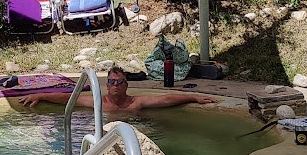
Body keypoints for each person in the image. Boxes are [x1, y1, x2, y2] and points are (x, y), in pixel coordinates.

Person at [17, 66, 217, 112]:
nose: (114, 85)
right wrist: (41, 94)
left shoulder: (136, 102)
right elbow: (70, 99)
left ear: (126, 85)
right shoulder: (99, 102)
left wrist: (193, 97)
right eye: (111, 82)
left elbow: (165, 99)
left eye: (119, 82)